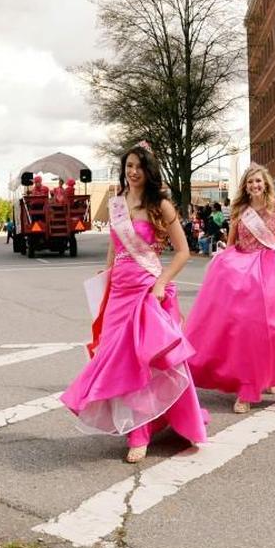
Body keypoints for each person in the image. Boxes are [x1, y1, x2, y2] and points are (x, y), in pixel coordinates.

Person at [60, 143, 206, 464]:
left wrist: (161, 283)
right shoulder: (116, 203)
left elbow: (183, 252)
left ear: (149, 171)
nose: (133, 171)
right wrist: (106, 274)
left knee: (144, 362)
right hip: (119, 292)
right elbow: (114, 248)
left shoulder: (160, 205)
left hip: (147, 291)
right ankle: (137, 424)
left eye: (139, 166)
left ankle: (140, 433)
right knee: (117, 361)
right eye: (129, 166)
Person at [186, 165, 275, 415]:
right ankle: (247, 386)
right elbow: (232, 243)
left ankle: (269, 375)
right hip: (242, 272)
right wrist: (224, 264)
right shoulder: (241, 209)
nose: (255, 185)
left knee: (273, 328)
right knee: (244, 330)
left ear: (265, 184)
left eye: (259, 181)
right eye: (251, 182)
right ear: (246, 186)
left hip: (270, 268)